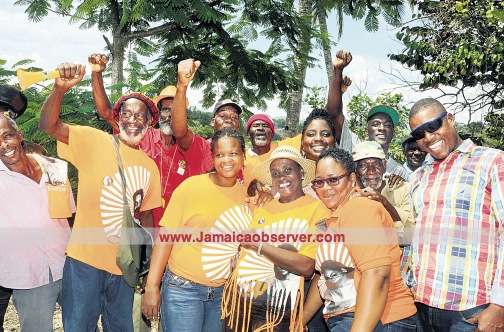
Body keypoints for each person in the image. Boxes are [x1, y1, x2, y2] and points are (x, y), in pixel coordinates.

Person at [39, 62, 161, 332]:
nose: (132, 120)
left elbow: (148, 216)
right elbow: (49, 125)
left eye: (140, 115)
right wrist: (59, 89)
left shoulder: (151, 166)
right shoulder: (94, 141)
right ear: (117, 118)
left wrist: (147, 265)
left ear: (150, 122)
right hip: (85, 261)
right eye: (126, 114)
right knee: (78, 327)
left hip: (125, 268)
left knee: (120, 328)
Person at [408, 97, 504, 331]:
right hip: (421, 305)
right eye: (419, 134)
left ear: (450, 119)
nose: (428, 138)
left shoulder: (492, 161)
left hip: (471, 309)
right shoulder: (418, 176)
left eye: (433, 126)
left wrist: (500, 305)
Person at [141, 128, 252, 332]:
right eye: (220, 154)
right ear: (212, 157)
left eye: (233, 153)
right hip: (183, 289)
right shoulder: (190, 187)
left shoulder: (249, 197)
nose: (226, 160)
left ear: (243, 156)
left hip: (223, 293)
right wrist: (151, 287)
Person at [303, 147, 417, 331]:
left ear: (352, 178)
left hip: (379, 320)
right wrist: (301, 320)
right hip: (354, 318)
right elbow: (327, 275)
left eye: (333, 180)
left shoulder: (359, 209)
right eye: (319, 182)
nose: (326, 188)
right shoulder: (336, 216)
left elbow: (377, 274)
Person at [222, 145, 329, 332]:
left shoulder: (317, 210)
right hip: (238, 300)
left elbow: (306, 266)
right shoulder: (264, 207)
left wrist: (259, 245)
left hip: (278, 307)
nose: (282, 177)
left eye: (288, 170)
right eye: (276, 173)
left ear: (301, 172)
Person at [0, 114, 74, 331]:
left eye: (7, 136)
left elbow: (68, 215)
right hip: (28, 274)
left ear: (19, 135)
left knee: (83, 324)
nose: (4, 145)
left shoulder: (55, 167)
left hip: (68, 266)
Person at [325, 50, 408, 182]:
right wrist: (338, 70)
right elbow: (334, 114)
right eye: (375, 124)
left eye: (387, 125)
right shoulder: (352, 146)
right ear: (366, 130)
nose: (382, 128)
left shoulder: (398, 171)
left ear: (393, 132)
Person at [351, 141, 413, 245]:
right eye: (363, 166)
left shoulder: (403, 189)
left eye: (376, 165)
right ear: (356, 169)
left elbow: (410, 236)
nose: (371, 171)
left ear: (384, 166)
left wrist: (385, 203)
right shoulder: (352, 193)